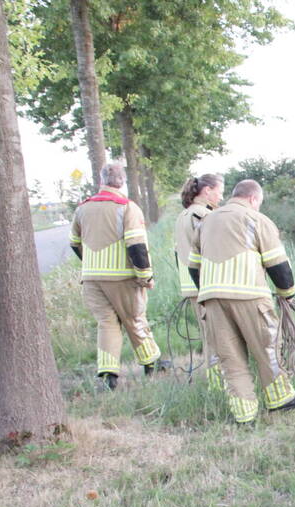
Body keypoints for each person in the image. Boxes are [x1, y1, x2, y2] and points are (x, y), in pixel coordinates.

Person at [188, 179, 295, 424]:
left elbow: (193, 267)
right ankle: (280, 398)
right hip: (250, 296)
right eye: (259, 203)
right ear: (253, 199)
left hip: (212, 300)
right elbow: (278, 265)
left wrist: (208, 292)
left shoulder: (205, 222)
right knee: (268, 348)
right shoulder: (257, 219)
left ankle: (244, 413)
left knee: (230, 358)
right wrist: (287, 293)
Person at [70, 162, 161, 389]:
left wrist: (92, 264)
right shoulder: (127, 207)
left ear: (101, 180)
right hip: (123, 278)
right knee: (134, 319)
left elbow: (74, 242)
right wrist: (145, 277)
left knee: (106, 323)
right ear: (123, 182)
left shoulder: (82, 208)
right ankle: (151, 363)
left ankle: (109, 374)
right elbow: (136, 246)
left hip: (92, 278)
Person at [175, 173, 224, 385]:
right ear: (207, 190)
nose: (221, 197)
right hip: (206, 285)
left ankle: (216, 382)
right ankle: (218, 384)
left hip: (192, 286)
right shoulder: (203, 215)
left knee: (208, 336)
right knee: (217, 337)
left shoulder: (183, 215)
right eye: (219, 192)